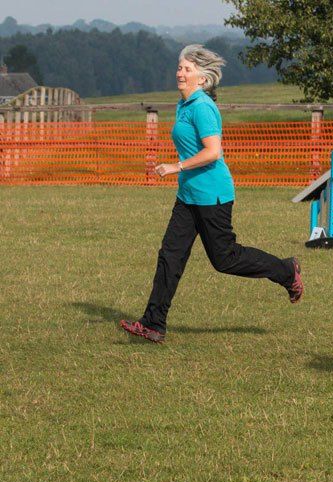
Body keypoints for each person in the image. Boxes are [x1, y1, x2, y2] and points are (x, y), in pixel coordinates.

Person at [120, 44, 303, 344]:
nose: (180, 72)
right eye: (179, 67)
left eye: (187, 69)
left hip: (212, 196)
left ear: (202, 79)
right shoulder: (185, 104)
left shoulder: (203, 107)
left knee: (225, 259)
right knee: (170, 256)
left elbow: (213, 152)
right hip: (188, 196)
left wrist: (176, 166)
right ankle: (153, 323)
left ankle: (285, 270)